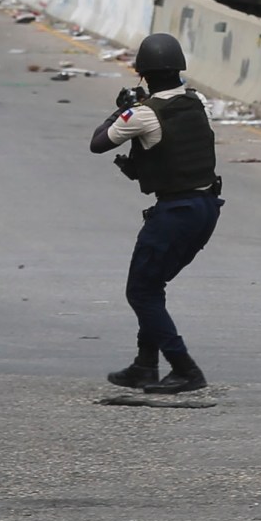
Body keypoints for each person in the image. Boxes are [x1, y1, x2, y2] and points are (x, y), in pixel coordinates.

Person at [92, 32, 221, 394]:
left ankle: (184, 368)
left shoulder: (143, 114)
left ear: (143, 73)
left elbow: (98, 143)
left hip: (175, 211)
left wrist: (122, 109)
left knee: (142, 292)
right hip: (206, 207)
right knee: (153, 286)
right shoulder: (198, 102)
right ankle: (145, 365)